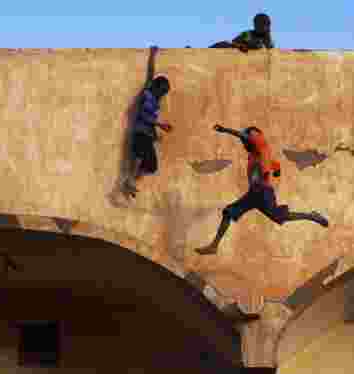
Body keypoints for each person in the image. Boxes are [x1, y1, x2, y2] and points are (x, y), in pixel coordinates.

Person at [195, 124, 328, 256]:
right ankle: (214, 246)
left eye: (248, 137)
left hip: (263, 192)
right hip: (255, 193)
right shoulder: (255, 155)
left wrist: (226, 130)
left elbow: (244, 136)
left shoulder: (261, 146)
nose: (244, 140)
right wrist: (275, 172)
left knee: (234, 212)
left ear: (255, 137)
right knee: (232, 212)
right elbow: (275, 165)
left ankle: (312, 216)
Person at [122, 75, 173, 198]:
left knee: (150, 165)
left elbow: (149, 120)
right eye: (162, 91)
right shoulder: (148, 96)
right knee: (145, 161)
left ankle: (131, 182)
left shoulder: (154, 100)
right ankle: (129, 182)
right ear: (156, 87)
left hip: (146, 135)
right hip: (140, 134)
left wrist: (155, 135)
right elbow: (143, 115)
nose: (162, 95)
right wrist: (160, 125)